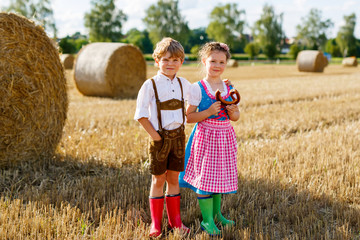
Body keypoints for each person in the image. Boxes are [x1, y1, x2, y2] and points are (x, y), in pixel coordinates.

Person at [179, 42, 240, 236]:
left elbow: (236, 117)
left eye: (222, 62)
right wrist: (207, 112)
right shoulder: (197, 88)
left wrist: (234, 111)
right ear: (204, 62)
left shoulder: (228, 86)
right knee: (205, 179)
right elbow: (188, 118)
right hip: (206, 138)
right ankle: (206, 221)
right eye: (213, 61)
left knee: (218, 178)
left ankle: (217, 215)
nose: (217, 65)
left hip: (224, 137)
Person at [134, 37, 191, 238]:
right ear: (157, 61)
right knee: (158, 179)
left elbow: (198, 98)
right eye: (165, 60)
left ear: (181, 62)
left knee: (174, 178)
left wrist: (222, 86)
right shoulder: (150, 85)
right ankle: (155, 224)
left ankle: (176, 221)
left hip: (179, 138)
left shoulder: (185, 84)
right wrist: (156, 137)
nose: (170, 64)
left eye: (175, 60)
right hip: (159, 139)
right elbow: (140, 115)